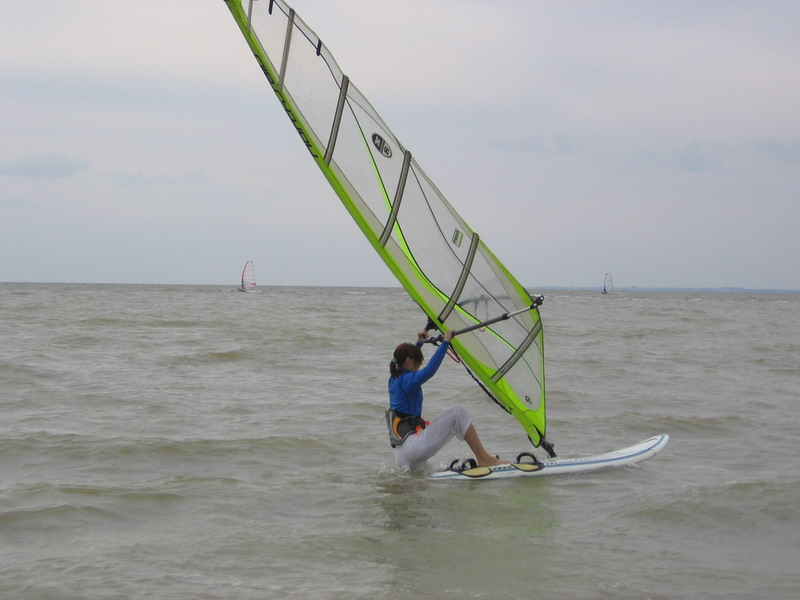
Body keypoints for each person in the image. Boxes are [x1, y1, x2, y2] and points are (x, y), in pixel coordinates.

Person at [386, 328, 504, 471]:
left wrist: (419, 343)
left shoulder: (393, 379)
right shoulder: (408, 380)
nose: (418, 367)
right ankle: (484, 458)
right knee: (457, 413)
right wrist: (445, 342)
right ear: (409, 361)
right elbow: (429, 370)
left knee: (419, 484)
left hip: (401, 454)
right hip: (414, 446)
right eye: (417, 363)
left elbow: (405, 358)